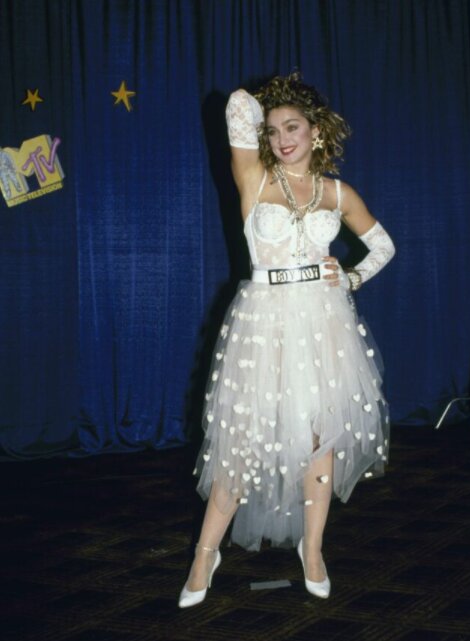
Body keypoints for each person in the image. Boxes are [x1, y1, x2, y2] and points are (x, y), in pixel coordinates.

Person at [179, 73, 395, 608]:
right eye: (273, 131)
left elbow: (383, 246)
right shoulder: (253, 178)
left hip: (322, 321)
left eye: (293, 127)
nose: (281, 139)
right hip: (263, 320)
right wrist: (273, 100)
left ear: (316, 131)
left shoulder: (338, 192)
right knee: (242, 441)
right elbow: (237, 106)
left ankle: (312, 550)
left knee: (321, 439)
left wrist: (351, 277)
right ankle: (205, 554)